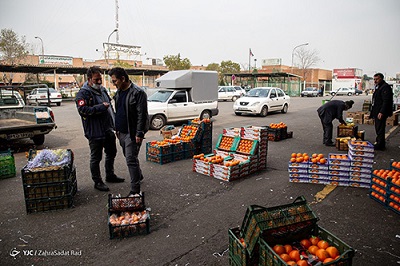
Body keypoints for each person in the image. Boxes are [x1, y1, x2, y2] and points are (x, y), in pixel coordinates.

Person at [75, 66, 124, 192]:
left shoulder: (102, 90)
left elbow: (110, 108)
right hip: (95, 132)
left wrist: (115, 125)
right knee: (96, 158)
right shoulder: (83, 93)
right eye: (96, 79)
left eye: (100, 79)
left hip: (108, 129)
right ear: (89, 79)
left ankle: (110, 175)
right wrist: (100, 107)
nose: (99, 82)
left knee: (111, 153)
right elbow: (83, 111)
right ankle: (97, 181)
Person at [108, 67, 149, 196]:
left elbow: (142, 114)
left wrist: (139, 133)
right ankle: (138, 175)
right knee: (129, 156)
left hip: (132, 133)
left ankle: (135, 190)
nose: (113, 84)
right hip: (121, 132)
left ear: (123, 79)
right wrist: (117, 128)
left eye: (115, 81)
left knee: (130, 159)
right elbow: (119, 111)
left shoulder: (138, 93)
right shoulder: (119, 92)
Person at [370, 73, 394, 150]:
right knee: (378, 127)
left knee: (380, 128)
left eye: (377, 79)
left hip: (380, 112)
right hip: (377, 111)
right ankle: (379, 142)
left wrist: (381, 112)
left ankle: (380, 145)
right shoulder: (379, 87)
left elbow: (386, 101)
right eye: (374, 79)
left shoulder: (385, 87)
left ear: (381, 79)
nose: (375, 81)